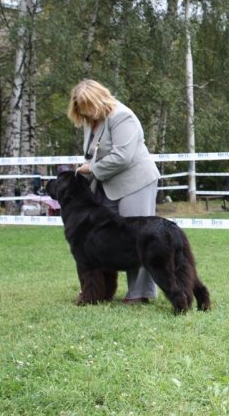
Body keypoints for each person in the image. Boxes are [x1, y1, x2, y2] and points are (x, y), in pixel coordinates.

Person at [68, 79, 161, 305]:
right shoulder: (91, 121)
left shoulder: (122, 116)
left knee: (138, 237)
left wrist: (92, 168)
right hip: (107, 184)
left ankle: (140, 293)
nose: (86, 114)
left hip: (135, 182)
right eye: (81, 110)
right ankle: (99, 291)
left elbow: (123, 156)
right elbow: (93, 152)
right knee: (101, 239)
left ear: (98, 100)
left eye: (87, 107)